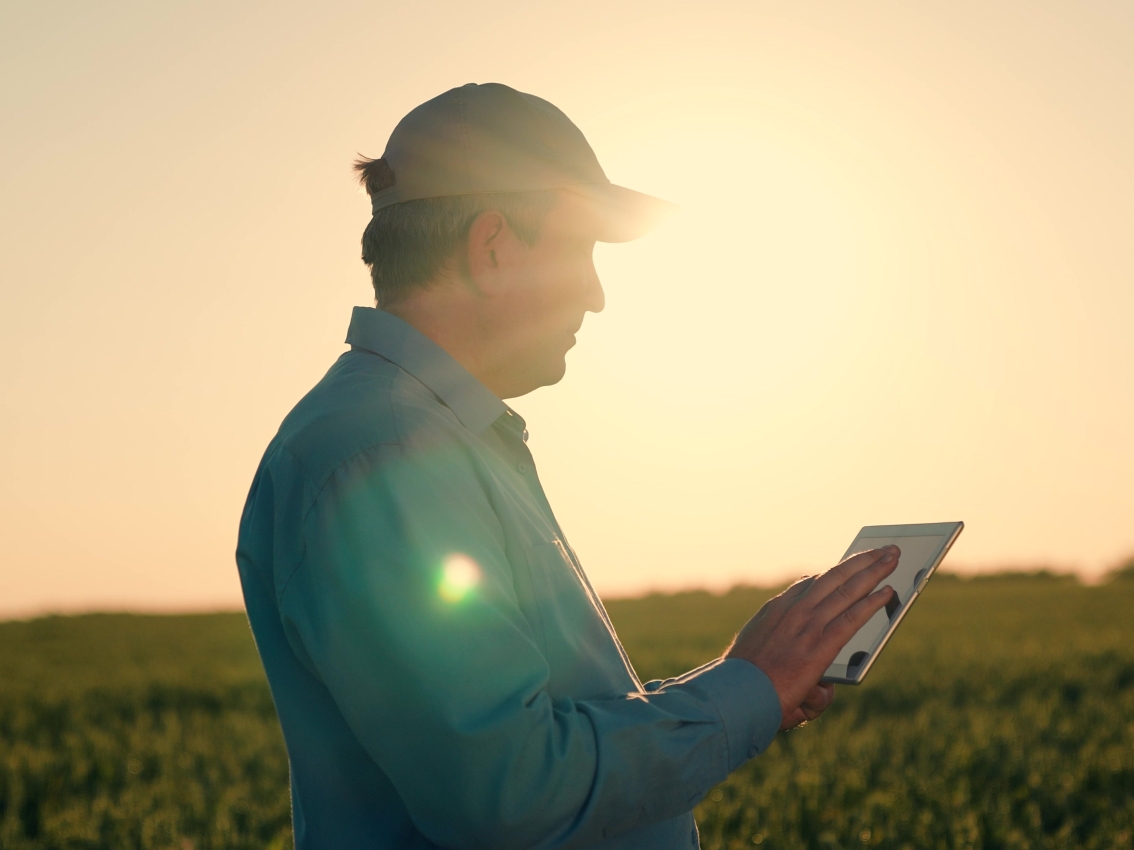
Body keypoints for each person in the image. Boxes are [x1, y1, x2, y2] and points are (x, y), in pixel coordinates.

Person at [236, 82, 898, 850]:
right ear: (492, 249)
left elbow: (524, 736)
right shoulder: (387, 454)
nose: (596, 293)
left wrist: (750, 680)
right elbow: (508, 790)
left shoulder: (426, 437)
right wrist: (743, 693)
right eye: (580, 248)